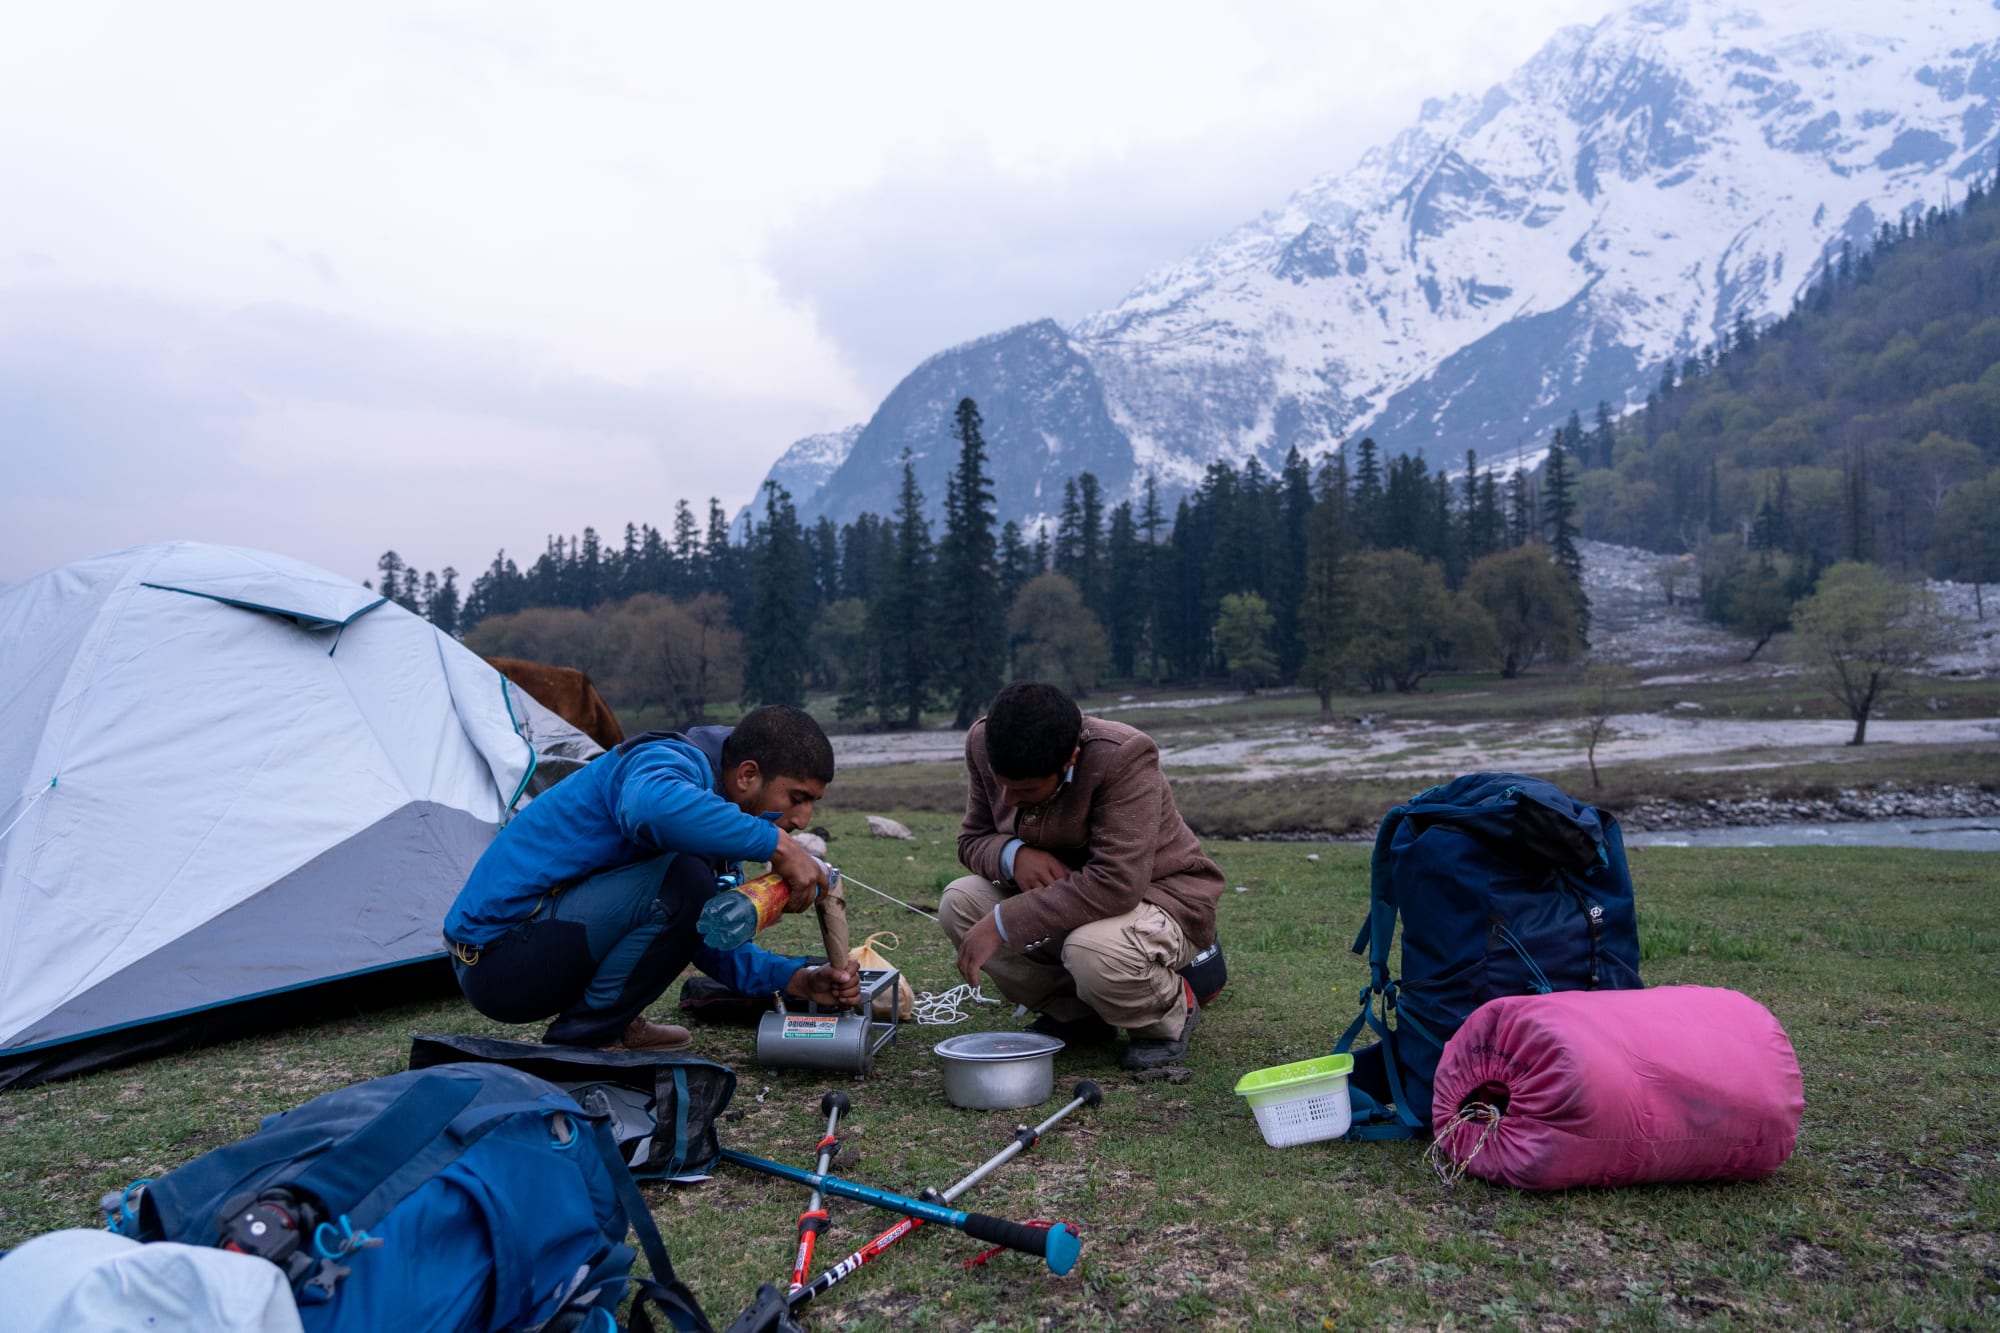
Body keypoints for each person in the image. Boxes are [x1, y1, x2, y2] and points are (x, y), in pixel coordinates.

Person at [443, 704, 859, 1050]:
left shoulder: (716, 816)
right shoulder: (667, 759)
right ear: (747, 775)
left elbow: (702, 933)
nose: (803, 819)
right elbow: (648, 807)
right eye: (797, 798)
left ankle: (616, 1021)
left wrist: (795, 980)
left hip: (537, 948)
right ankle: (585, 1040)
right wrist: (778, 844)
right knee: (685, 880)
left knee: (689, 887)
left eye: (813, 803)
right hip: (497, 957)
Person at [943, 682, 1224, 1070]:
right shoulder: (982, 740)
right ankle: (1077, 1015)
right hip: (1066, 902)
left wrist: (1004, 922)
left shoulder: (1124, 756)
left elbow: (1118, 884)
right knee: (959, 902)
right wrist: (1013, 854)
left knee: (1092, 950)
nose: (1007, 800)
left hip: (1161, 896)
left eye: (1025, 789)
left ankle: (1167, 1015)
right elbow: (973, 838)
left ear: (1070, 759)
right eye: (1001, 783)